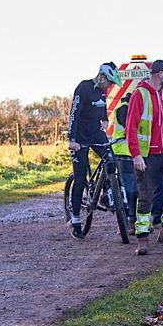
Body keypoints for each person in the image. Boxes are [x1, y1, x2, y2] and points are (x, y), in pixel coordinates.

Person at [127, 59, 163, 255]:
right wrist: (136, 155)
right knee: (145, 197)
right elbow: (131, 128)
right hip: (147, 155)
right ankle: (142, 238)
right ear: (161, 74)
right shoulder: (140, 95)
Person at [66, 62, 121, 239]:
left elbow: (101, 107)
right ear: (102, 77)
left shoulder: (102, 91)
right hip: (80, 138)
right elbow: (74, 114)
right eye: (109, 82)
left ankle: (107, 192)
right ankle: (75, 220)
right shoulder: (83, 88)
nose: (110, 86)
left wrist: (105, 120)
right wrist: (72, 140)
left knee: (111, 159)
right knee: (80, 177)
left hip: (96, 134)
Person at [109, 92, 137, 225]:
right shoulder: (125, 108)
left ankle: (132, 217)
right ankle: (130, 218)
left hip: (131, 152)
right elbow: (131, 129)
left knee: (133, 186)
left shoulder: (125, 107)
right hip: (124, 152)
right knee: (129, 188)